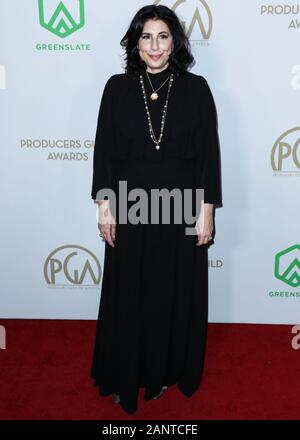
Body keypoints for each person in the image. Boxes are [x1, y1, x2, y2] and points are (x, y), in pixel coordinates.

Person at [90, 4, 222, 415]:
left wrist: (207, 210)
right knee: (129, 293)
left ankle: (165, 369)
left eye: (163, 36)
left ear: (175, 41)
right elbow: (105, 152)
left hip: (180, 207)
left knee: (171, 291)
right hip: (130, 206)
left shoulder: (196, 88)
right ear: (135, 41)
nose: (154, 45)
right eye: (146, 36)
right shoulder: (116, 87)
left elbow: (208, 155)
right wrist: (104, 204)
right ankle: (125, 371)